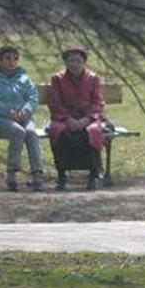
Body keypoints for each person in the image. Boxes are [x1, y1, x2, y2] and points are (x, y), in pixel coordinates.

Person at [0, 45, 45, 191]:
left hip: (24, 117)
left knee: (30, 132)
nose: (12, 61)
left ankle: (37, 174)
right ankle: (12, 173)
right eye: (8, 58)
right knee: (18, 131)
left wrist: (26, 111)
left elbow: (33, 97)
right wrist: (8, 112)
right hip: (0, 120)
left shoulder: (24, 78)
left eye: (15, 58)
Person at [46, 47, 106, 191]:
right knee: (57, 130)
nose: (74, 64)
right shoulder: (57, 79)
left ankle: (93, 175)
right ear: (66, 63)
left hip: (88, 118)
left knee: (92, 132)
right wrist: (68, 119)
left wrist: (86, 119)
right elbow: (55, 102)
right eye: (71, 60)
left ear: (84, 62)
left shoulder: (93, 78)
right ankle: (61, 175)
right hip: (64, 118)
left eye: (78, 60)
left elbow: (97, 102)